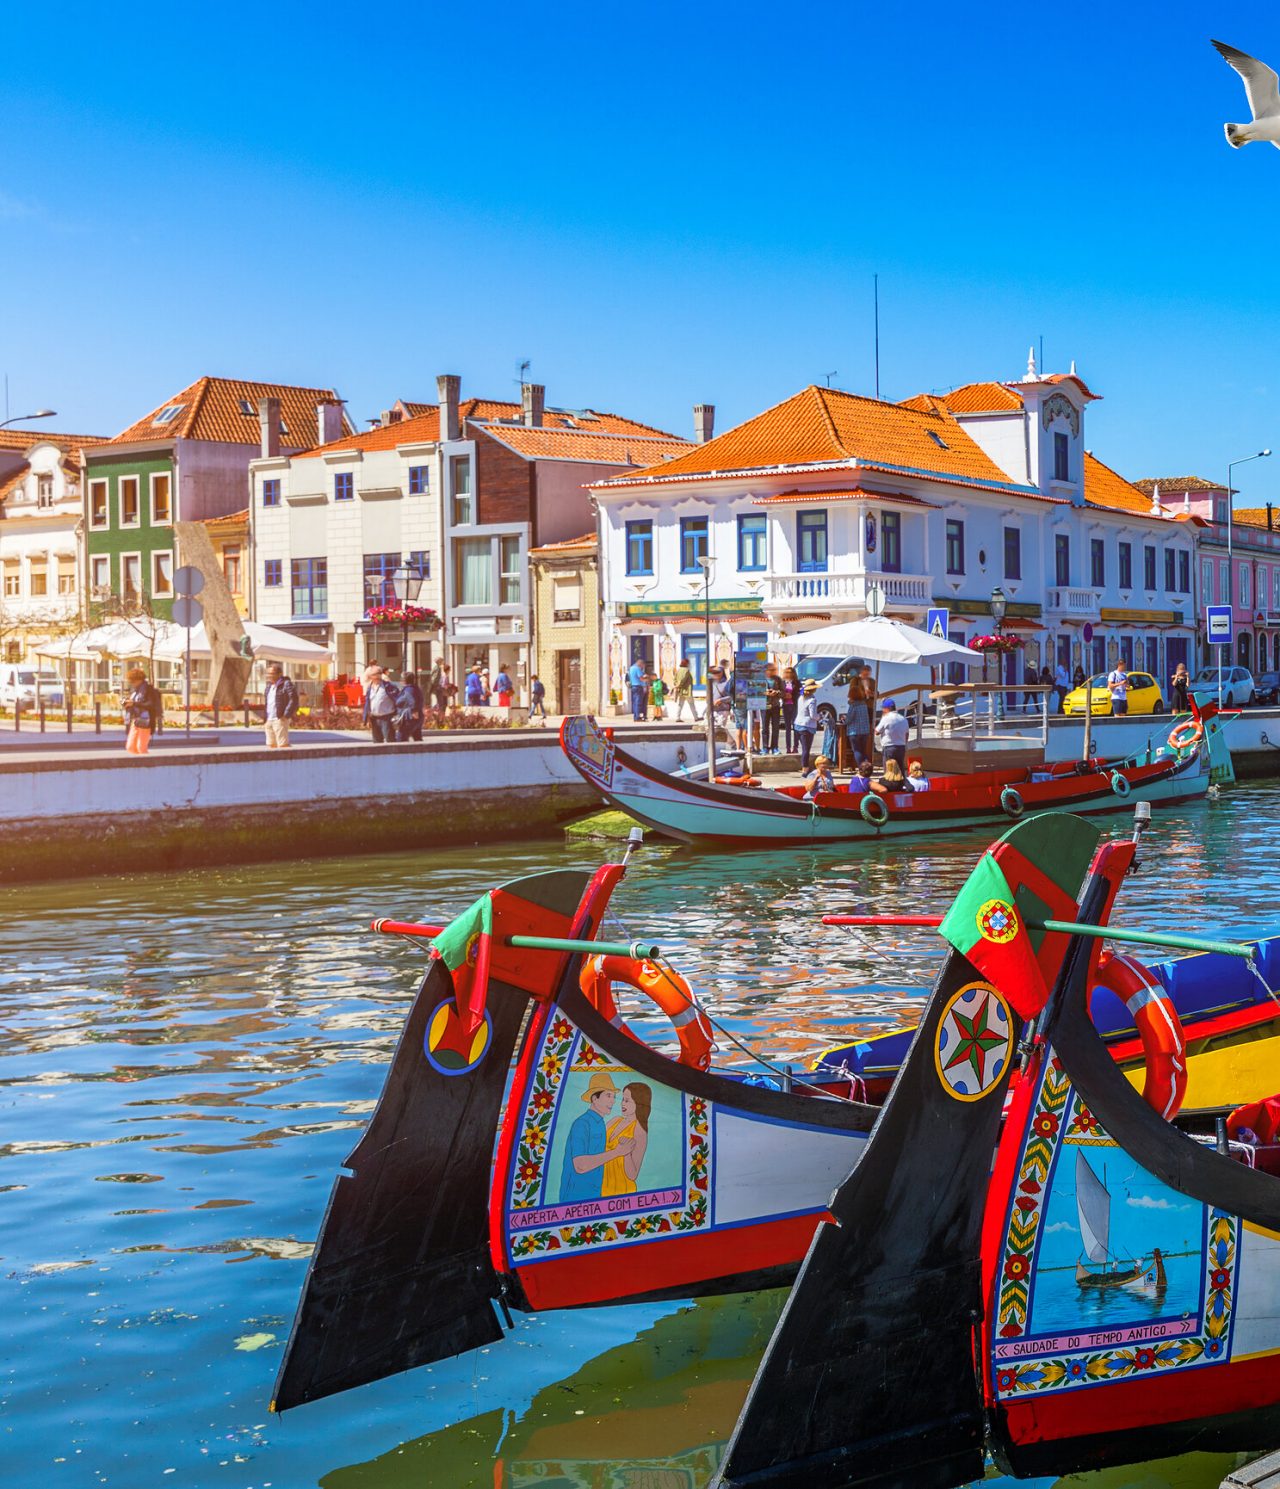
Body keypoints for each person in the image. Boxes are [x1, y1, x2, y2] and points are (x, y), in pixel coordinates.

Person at [558, 1072, 623, 1204]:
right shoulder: (582, 1124)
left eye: (614, 1096)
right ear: (594, 1098)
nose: (613, 1100)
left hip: (594, 1196)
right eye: (608, 1095)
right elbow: (580, 1165)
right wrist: (617, 1152)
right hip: (575, 1199)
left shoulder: (599, 1123)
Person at [601, 1082, 652, 1196]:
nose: (622, 1103)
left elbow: (633, 1175)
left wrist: (626, 1153)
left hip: (621, 1190)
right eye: (622, 1099)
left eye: (627, 1100)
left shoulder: (639, 1131)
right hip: (601, 1185)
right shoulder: (615, 1120)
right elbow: (596, 1143)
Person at [122, 667, 161, 755]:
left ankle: (146, 766)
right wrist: (127, 703)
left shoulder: (148, 690)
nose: (132, 683)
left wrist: (134, 704)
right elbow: (134, 702)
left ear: (139, 679)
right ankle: (136, 764)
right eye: (130, 681)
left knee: (141, 747)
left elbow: (150, 704)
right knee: (130, 746)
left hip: (146, 720)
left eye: (133, 681)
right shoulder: (135, 691)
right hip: (135, 719)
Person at [263, 663, 298, 749]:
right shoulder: (269, 686)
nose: (269, 676)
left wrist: (286, 715)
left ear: (279, 674)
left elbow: (294, 699)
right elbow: (267, 703)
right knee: (271, 746)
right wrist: (265, 718)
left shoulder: (286, 684)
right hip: (269, 719)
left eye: (272, 673)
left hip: (279, 719)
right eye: (268, 673)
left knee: (283, 746)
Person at [363, 665, 400, 743]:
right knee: (377, 742)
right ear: (370, 676)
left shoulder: (389, 686)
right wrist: (366, 718)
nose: (377, 677)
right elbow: (367, 703)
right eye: (374, 675)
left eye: (378, 674)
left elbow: (399, 700)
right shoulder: (369, 688)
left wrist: (399, 714)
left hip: (387, 717)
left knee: (390, 740)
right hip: (374, 718)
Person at [875, 698, 910, 770]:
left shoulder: (886, 718)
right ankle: (901, 781)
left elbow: (877, 732)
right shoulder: (903, 718)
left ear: (888, 708)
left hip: (889, 747)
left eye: (883, 708)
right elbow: (906, 734)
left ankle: (890, 782)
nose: (882, 710)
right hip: (901, 747)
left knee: (889, 770)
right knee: (900, 769)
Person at [845, 674, 871, 766]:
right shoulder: (864, 705)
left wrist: (844, 719)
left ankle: (861, 767)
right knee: (863, 751)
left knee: (857, 751)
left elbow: (849, 720)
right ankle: (867, 766)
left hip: (854, 732)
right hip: (864, 731)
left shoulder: (853, 706)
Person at [794, 680, 819, 771]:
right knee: (806, 749)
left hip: (798, 724)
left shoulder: (800, 697)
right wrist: (819, 716)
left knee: (804, 748)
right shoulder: (812, 700)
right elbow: (813, 715)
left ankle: (804, 767)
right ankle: (805, 768)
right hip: (807, 726)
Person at [395, 669, 425, 741]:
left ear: (404, 680)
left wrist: (414, 712)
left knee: (401, 738)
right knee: (417, 738)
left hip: (409, 717)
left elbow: (412, 701)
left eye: (401, 679)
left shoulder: (408, 690)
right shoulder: (415, 688)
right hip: (416, 716)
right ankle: (420, 751)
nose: (400, 681)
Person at [780, 666, 801, 753]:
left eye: (790, 673)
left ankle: (795, 746)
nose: (788, 674)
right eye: (787, 672)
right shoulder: (782, 683)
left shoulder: (797, 682)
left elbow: (801, 692)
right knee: (787, 728)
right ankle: (788, 747)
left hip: (794, 705)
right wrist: (784, 696)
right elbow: (779, 693)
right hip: (785, 706)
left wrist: (793, 696)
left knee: (795, 727)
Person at [763, 664, 782, 754]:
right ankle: (765, 747)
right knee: (764, 728)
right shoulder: (761, 679)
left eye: (773, 670)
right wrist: (765, 693)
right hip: (764, 705)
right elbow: (755, 690)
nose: (771, 671)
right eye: (770, 670)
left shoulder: (778, 679)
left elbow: (783, 692)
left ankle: (775, 747)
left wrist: (776, 692)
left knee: (775, 727)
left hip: (775, 705)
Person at [627, 656, 648, 723]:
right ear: (641, 664)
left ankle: (635, 716)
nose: (642, 667)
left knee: (635, 702)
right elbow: (641, 678)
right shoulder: (637, 669)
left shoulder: (631, 668)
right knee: (638, 703)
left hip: (633, 686)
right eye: (642, 665)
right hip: (638, 687)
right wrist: (647, 678)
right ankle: (637, 717)